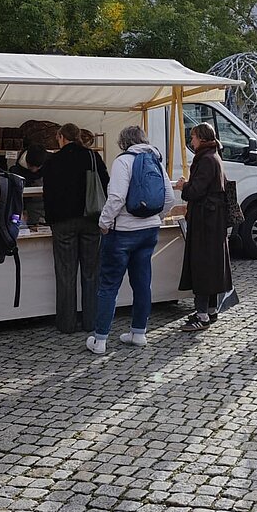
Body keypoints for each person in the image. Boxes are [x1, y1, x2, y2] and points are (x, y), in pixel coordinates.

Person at [90, 126, 177, 353]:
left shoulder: (123, 161)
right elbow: (169, 197)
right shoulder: (155, 159)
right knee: (142, 283)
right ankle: (139, 333)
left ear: (123, 142)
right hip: (149, 231)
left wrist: (104, 222)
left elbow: (116, 197)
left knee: (109, 285)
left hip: (122, 232)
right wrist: (157, 217)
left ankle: (100, 339)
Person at [42, 124, 110, 334]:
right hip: (91, 218)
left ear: (61, 137)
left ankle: (66, 323)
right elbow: (106, 184)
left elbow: (47, 193)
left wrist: (51, 220)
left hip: (63, 222)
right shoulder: (92, 157)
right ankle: (91, 321)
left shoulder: (53, 160)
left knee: (65, 273)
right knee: (91, 272)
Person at [174, 123, 233, 331]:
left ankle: (202, 315)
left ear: (201, 138)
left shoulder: (207, 159)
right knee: (211, 265)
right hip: (211, 220)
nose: (191, 141)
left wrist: (183, 186)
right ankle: (210, 310)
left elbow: (196, 190)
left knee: (203, 266)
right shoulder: (212, 155)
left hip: (206, 221)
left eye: (193, 137)